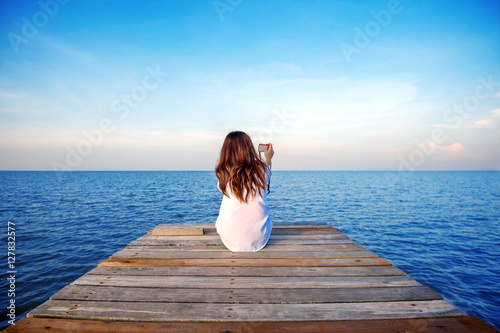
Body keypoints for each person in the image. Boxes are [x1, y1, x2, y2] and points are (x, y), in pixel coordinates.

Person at [214, 131, 274, 252]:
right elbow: (266, 174)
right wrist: (268, 159)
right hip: (259, 238)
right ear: (249, 148)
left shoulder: (223, 174)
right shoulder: (263, 170)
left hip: (229, 238)